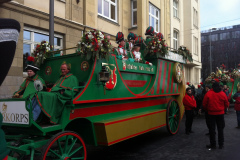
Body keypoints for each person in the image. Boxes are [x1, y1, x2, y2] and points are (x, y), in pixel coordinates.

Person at [203, 82, 229, 149]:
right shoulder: (222, 94)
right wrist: (223, 109)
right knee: (220, 129)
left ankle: (213, 144)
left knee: (212, 130)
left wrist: (207, 109)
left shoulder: (208, 93)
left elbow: (204, 104)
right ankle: (221, 144)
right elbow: (226, 103)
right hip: (220, 114)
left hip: (211, 114)